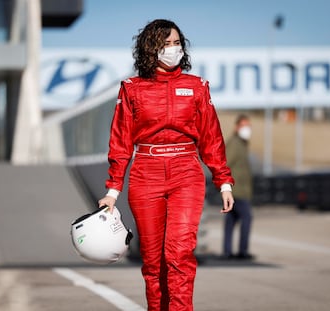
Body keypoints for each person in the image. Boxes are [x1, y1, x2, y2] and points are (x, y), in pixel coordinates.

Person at [98, 19, 235, 311]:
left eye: (176, 43)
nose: (172, 50)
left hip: (186, 171)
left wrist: (223, 180)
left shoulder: (196, 87)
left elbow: (212, 136)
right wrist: (112, 190)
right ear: (150, 48)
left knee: (179, 254)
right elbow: (120, 142)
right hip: (146, 172)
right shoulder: (132, 88)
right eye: (165, 44)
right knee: (153, 261)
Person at [222, 114, 254, 260]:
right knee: (246, 218)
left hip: (240, 189)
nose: (247, 129)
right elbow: (225, 163)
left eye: (248, 126)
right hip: (236, 190)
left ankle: (227, 251)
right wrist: (227, 185)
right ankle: (242, 250)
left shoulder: (242, 143)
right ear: (237, 127)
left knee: (231, 220)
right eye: (243, 126)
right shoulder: (235, 144)